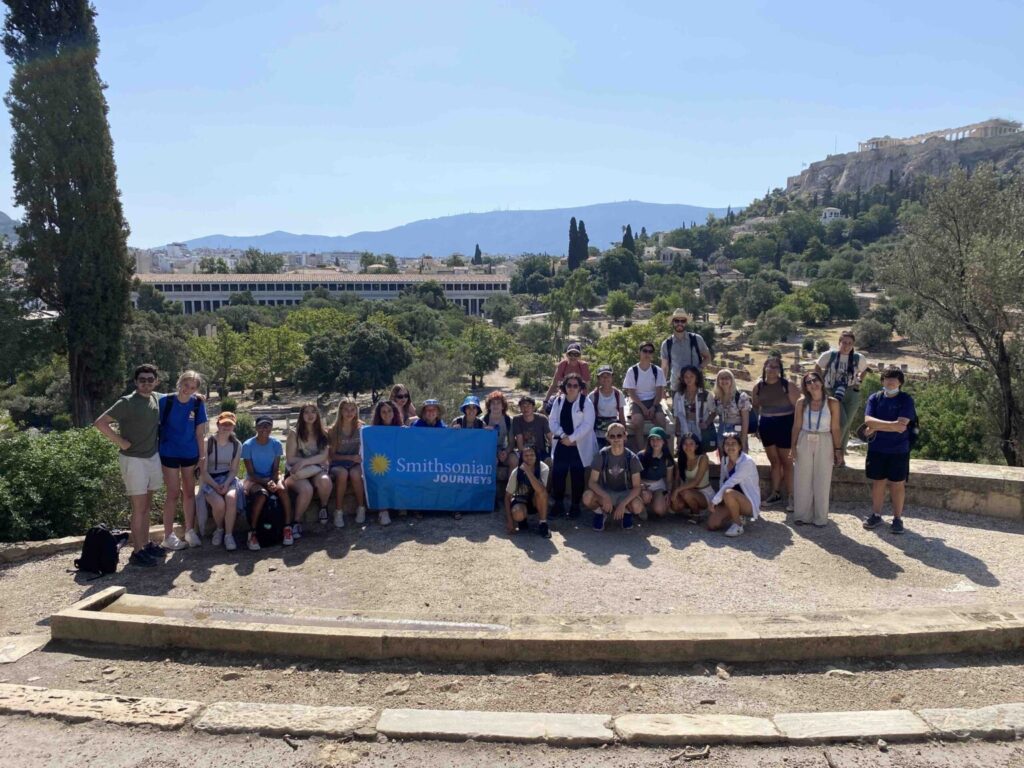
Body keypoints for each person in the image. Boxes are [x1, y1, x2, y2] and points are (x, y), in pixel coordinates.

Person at [94, 364, 166, 567]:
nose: (146, 383)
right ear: (135, 382)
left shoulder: (155, 398)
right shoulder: (127, 402)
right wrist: (121, 442)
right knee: (139, 508)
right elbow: (100, 423)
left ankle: (145, 544)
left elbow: (177, 397)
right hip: (133, 460)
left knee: (147, 507)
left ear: (155, 381)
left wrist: (198, 398)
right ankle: (137, 552)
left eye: (150, 380)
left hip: (152, 457)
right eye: (142, 380)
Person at [861, 366, 917, 535]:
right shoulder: (875, 398)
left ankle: (897, 518)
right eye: (887, 378)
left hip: (899, 449)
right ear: (882, 381)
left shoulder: (906, 399)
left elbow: (902, 426)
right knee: (878, 482)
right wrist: (892, 425)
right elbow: (868, 421)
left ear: (900, 382)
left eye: (895, 379)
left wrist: (877, 426)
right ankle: (876, 514)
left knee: (897, 484)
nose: (891, 381)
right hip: (877, 448)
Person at [157, 370, 208, 550]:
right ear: (180, 383)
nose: (188, 389)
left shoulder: (198, 404)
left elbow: (200, 433)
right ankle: (168, 536)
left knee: (188, 492)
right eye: (186, 385)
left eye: (193, 387)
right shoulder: (165, 401)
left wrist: (202, 457)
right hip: (168, 452)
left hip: (189, 453)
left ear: (196, 389)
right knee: (172, 493)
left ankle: (189, 530)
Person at [789, 372, 843, 527]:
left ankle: (820, 517)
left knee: (823, 478)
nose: (813, 384)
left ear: (821, 382)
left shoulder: (832, 403)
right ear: (805, 386)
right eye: (808, 382)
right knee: (802, 477)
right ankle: (802, 515)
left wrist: (838, 449)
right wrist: (792, 446)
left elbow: (836, 427)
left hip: (824, 438)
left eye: (815, 380)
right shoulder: (801, 402)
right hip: (804, 438)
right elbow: (797, 425)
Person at [752, 357, 798, 512]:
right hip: (766, 425)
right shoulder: (758, 387)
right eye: (769, 366)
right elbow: (756, 406)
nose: (772, 369)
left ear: (780, 369)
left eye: (775, 366)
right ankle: (775, 493)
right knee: (774, 461)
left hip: (785, 424)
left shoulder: (787, 385)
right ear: (764, 368)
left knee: (787, 462)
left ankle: (792, 496)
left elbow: (799, 407)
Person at [548, 372, 598, 519]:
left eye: (575, 385)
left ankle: (575, 507)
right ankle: (558, 505)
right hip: (562, 443)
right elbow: (552, 421)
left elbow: (588, 424)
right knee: (558, 474)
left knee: (577, 476)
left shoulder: (585, 402)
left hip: (579, 444)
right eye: (569, 385)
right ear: (565, 386)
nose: (572, 388)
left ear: (580, 387)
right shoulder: (558, 401)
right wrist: (564, 436)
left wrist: (573, 438)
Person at [242, 415, 294, 550]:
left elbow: (276, 469)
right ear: (256, 427)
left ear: (271, 427)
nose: (264, 428)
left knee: (282, 490)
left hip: (270, 477)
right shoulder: (247, 445)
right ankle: (252, 532)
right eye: (261, 425)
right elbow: (251, 473)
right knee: (261, 494)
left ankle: (287, 528)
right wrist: (266, 482)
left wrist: (272, 481)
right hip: (254, 480)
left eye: (267, 425)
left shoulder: (276, 444)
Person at [814, 331, 869, 456]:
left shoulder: (858, 357)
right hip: (832, 391)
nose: (846, 346)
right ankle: (834, 452)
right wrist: (821, 382)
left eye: (850, 343)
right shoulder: (829, 355)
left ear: (853, 344)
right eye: (844, 342)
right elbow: (817, 366)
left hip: (851, 392)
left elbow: (865, 370)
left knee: (847, 424)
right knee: (842, 423)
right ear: (839, 343)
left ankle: (840, 455)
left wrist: (859, 381)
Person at [583, 422, 644, 531]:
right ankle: (600, 513)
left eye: (619, 435)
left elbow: (637, 487)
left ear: (625, 436)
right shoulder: (601, 455)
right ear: (608, 438)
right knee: (587, 497)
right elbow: (592, 482)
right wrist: (605, 496)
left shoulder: (632, 458)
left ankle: (626, 512)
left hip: (624, 493)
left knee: (638, 506)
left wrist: (623, 504)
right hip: (606, 492)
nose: (616, 439)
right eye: (612, 436)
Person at [284, 403, 332, 537]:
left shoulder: (323, 433)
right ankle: (296, 521)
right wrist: (310, 462)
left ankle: (324, 507)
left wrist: (305, 461)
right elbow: (290, 458)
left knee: (325, 481)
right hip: (297, 472)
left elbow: (324, 455)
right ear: (301, 415)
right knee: (306, 490)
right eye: (306, 412)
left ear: (317, 415)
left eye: (313, 412)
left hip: (315, 469)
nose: (310, 415)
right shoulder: (294, 433)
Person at [199, 411, 243, 551]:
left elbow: (234, 469)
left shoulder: (236, 444)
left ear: (233, 427)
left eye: (229, 425)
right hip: (209, 479)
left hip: (227, 478)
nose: (226, 427)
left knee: (231, 497)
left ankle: (228, 535)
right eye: (224, 424)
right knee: (218, 504)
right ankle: (219, 529)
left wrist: (226, 483)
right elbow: (204, 471)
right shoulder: (208, 443)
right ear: (218, 424)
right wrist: (215, 485)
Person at [706, 432, 761, 538]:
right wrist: (719, 500)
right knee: (712, 524)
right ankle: (737, 514)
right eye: (727, 443)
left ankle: (738, 525)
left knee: (728, 493)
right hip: (730, 498)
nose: (730, 446)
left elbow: (730, 482)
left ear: (740, 446)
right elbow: (722, 480)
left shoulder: (747, 462)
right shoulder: (724, 459)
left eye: (733, 443)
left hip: (748, 502)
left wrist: (714, 501)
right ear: (723, 447)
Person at [328, 397, 369, 528]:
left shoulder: (361, 426)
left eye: (353, 410)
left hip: (355, 463)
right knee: (343, 474)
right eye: (346, 410)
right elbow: (332, 456)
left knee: (356, 474)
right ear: (340, 411)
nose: (349, 413)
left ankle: (361, 507)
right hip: (338, 463)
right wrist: (350, 457)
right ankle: (338, 511)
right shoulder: (334, 430)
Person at [622, 341, 668, 452]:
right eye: (645, 351)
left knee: (661, 420)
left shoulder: (657, 371)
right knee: (637, 421)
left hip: (653, 400)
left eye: (650, 352)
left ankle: (661, 450)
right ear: (640, 352)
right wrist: (643, 408)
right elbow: (631, 393)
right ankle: (643, 451)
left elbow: (659, 392)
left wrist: (653, 407)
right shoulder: (632, 371)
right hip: (638, 401)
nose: (647, 354)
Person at [504, 444, 551, 539]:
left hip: (536, 501)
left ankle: (543, 523)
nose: (529, 458)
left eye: (532, 455)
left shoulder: (543, 468)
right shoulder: (516, 471)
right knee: (518, 514)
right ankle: (522, 520)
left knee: (541, 493)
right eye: (526, 455)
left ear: (536, 456)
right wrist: (509, 521)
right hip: (521, 500)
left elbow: (541, 490)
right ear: (522, 457)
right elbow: (507, 496)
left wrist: (528, 471)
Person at [368, 400, 402, 526]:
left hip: (399, 464)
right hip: (381, 464)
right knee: (382, 477)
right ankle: (383, 511)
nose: (387, 414)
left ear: (394, 413)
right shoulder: (372, 431)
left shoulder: (401, 430)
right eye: (383, 412)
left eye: (389, 411)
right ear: (379, 414)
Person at [660, 308, 712, 391]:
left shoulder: (697, 339)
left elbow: (707, 358)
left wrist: (697, 370)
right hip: (676, 386)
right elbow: (664, 368)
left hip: (695, 385)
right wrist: (662, 388)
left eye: (683, 321)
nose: (680, 323)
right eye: (677, 321)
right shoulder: (666, 344)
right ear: (672, 322)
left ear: (686, 323)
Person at [672, 365, 716, 456]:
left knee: (700, 453)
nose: (689, 379)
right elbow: (677, 416)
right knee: (685, 454)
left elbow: (713, 412)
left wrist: (706, 423)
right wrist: (678, 434)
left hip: (700, 428)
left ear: (696, 378)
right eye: (686, 377)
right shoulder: (679, 395)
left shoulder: (705, 394)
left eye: (691, 376)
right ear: (682, 378)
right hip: (685, 427)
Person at [670, 432, 714, 521]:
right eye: (685, 444)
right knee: (676, 506)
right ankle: (691, 507)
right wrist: (673, 494)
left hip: (704, 493)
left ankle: (696, 514)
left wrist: (678, 490)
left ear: (696, 446)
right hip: (689, 491)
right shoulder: (681, 460)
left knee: (685, 492)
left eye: (691, 444)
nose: (688, 446)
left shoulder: (703, 459)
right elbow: (677, 479)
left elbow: (696, 482)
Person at [712, 368, 752, 454]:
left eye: (727, 378)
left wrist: (743, 439)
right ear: (718, 381)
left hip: (737, 430)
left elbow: (745, 420)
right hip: (722, 429)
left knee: (739, 459)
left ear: (732, 380)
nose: (724, 380)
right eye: (721, 378)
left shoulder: (740, 396)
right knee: (724, 460)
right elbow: (714, 413)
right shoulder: (717, 397)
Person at [639, 427, 675, 519]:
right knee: (645, 496)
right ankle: (642, 507)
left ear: (664, 442)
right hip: (643, 484)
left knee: (660, 511)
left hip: (658, 485)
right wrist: (641, 485)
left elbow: (669, 479)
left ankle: (654, 503)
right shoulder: (641, 456)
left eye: (658, 439)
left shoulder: (667, 459)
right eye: (652, 439)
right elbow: (634, 475)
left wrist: (669, 492)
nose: (655, 442)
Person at [589, 364, 626, 449]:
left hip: (615, 435)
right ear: (598, 379)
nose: (605, 379)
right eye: (603, 376)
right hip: (598, 434)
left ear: (612, 377)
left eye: (608, 376)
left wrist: (624, 433)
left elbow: (621, 416)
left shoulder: (618, 394)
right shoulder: (593, 395)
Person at [511, 395, 552, 464]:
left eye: (528, 406)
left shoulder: (542, 419)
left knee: (549, 462)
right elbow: (519, 440)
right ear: (520, 408)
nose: (525, 408)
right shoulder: (516, 420)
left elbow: (550, 437)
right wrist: (525, 453)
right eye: (523, 406)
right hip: (524, 452)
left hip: (540, 451)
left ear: (533, 407)